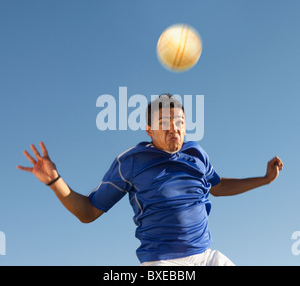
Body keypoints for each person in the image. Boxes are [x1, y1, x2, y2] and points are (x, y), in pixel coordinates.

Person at [17, 94, 283, 266]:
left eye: (179, 121)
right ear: (149, 130)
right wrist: (55, 181)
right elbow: (88, 212)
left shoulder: (196, 154)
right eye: (164, 122)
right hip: (162, 263)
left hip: (206, 257)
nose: (174, 128)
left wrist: (265, 179)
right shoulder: (132, 162)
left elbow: (219, 186)